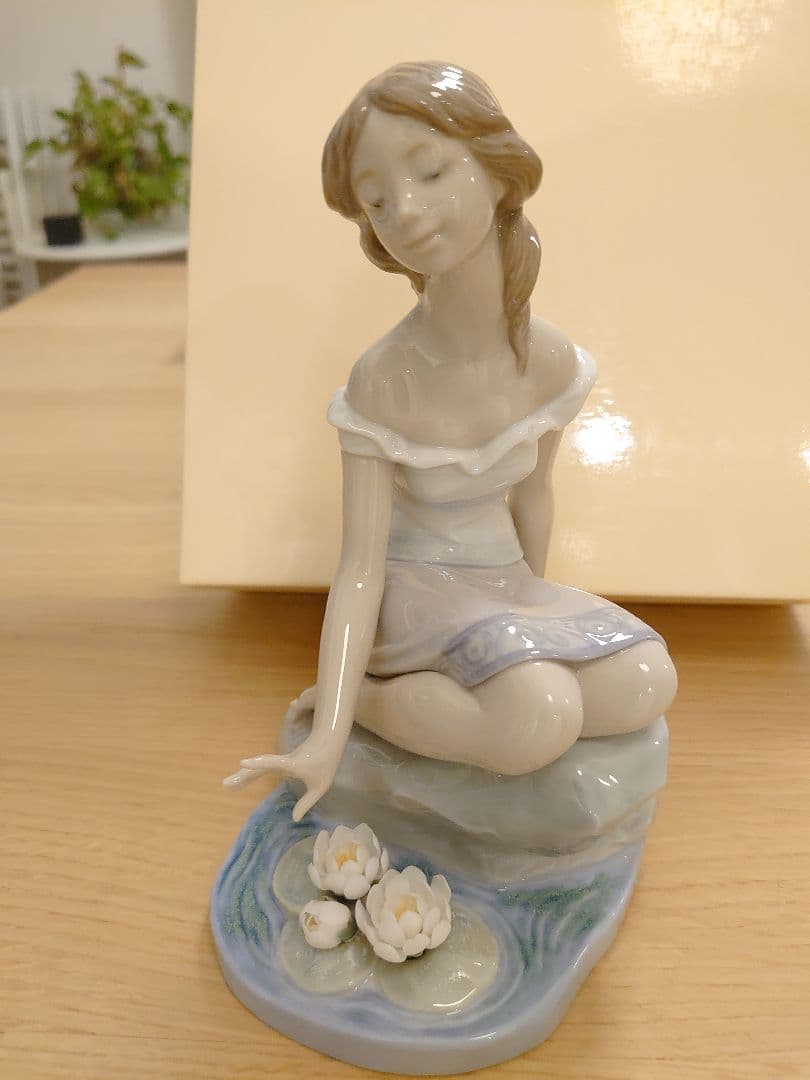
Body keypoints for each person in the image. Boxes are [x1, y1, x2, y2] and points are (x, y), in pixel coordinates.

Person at [226, 62, 677, 820]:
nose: (404, 211)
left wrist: (528, 627)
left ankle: (499, 708)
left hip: (501, 582)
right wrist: (329, 732)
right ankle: (374, 705)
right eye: (377, 201)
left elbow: (534, 497)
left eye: (431, 171)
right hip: (413, 594)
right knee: (538, 716)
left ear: (499, 172)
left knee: (646, 680)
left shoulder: (551, 362)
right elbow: (359, 567)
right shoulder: (383, 381)